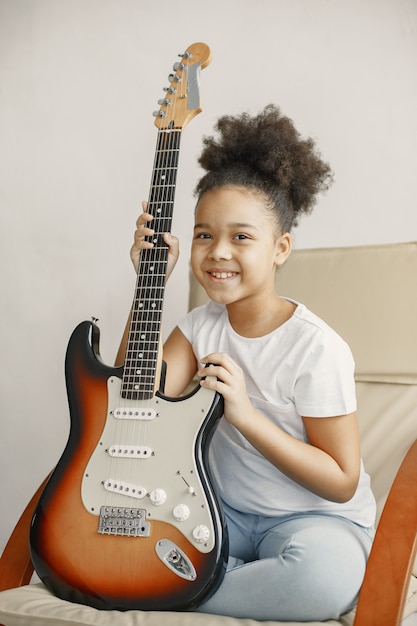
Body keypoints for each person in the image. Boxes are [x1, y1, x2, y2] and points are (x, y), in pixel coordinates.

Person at [116, 104, 376, 622]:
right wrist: (152, 281)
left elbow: (341, 480)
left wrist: (247, 417)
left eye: (242, 237)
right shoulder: (197, 328)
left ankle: (163, 586)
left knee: (320, 578)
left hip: (314, 522)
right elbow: (130, 401)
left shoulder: (316, 348)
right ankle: (197, 577)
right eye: (203, 235)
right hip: (219, 514)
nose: (218, 252)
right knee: (120, 523)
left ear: (280, 248)